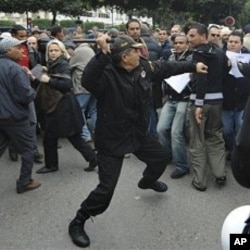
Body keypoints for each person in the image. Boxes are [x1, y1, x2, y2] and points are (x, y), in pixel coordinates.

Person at [68, 34, 208, 248]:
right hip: (113, 140)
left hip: (138, 134)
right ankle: (79, 220)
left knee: (162, 157)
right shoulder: (105, 75)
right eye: (134, 50)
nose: (140, 52)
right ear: (125, 57)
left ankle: (147, 181)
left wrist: (193, 65)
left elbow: (167, 68)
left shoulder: (144, 67)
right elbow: (87, 80)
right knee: (105, 191)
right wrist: (102, 54)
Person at [35, 39, 98, 174]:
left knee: (60, 137)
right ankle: (92, 158)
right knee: (67, 137)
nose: (53, 53)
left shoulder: (62, 64)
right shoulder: (53, 64)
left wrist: (49, 80)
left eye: (55, 50)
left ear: (62, 51)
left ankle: (52, 165)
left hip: (62, 106)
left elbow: (66, 84)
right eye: (50, 50)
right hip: (60, 106)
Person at [186, 23, 230, 191]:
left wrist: (198, 103)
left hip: (201, 103)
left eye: (192, 36)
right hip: (217, 102)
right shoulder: (220, 53)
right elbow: (225, 74)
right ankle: (220, 174)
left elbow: (201, 79)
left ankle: (200, 181)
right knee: (216, 137)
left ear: (203, 36)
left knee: (197, 140)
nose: (189, 39)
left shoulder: (198, 54)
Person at [0, 37, 41, 193]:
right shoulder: (16, 69)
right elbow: (27, 96)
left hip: (2, 116)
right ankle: (24, 182)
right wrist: (31, 81)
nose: (22, 50)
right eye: (18, 47)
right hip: (16, 117)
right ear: (8, 50)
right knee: (28, 149)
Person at [157, 34, 192, 179]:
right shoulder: (171, 58)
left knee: (176, 133)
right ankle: (169, 155)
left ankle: (182, 165)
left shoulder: (191, 58)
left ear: (187, 44)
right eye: (176, 43)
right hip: (171, 99)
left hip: (185, 99)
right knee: (161, 129)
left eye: (181, 43)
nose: (177, 45)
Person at [222, 31, 250, 161]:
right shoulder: (221, 57)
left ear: (241, 44)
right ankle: (232, 149)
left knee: (241, 129)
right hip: (226, 102)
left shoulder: (247, 58)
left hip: (242, 101)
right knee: (227, 131)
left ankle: (238, 154)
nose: (232, 44)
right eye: (230, 42)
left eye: (236, 42)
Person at [69, 40, 97, 145]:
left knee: (80, 110)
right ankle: (97, 132)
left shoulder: (78, 51)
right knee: (94, 110)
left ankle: (85, 135)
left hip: (81, 86)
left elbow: (70, 66)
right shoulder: (92, 52)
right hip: (94, 86)